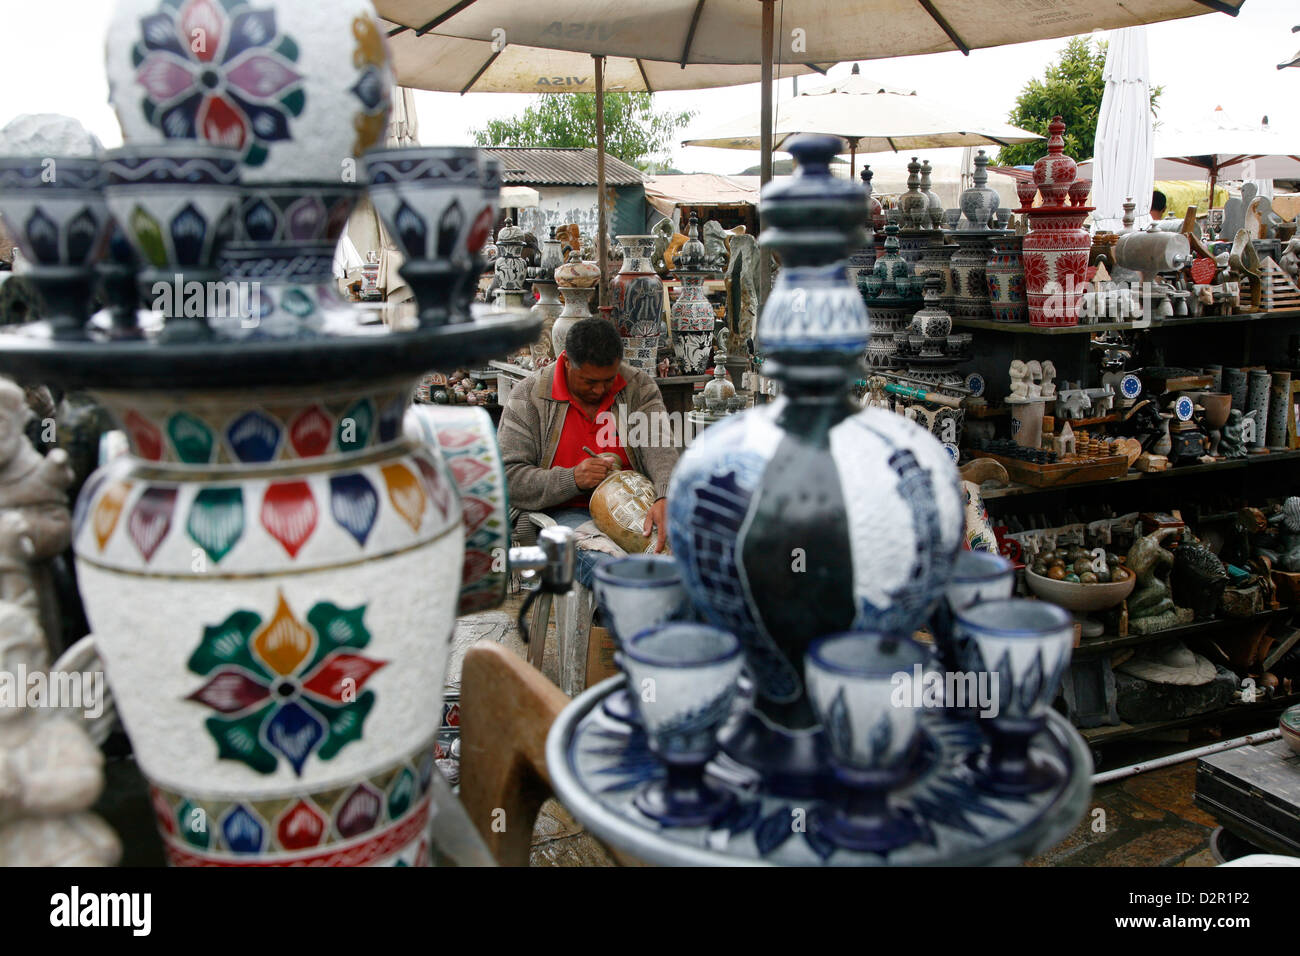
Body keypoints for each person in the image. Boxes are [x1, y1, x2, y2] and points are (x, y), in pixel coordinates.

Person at [499, 317, 679, 587]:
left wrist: (665, 495)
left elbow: (660, 448)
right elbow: (508, 478)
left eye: (608, 380)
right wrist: (572, 479)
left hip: (636, 506)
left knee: (685, 556)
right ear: (567, 361)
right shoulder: (528, 396)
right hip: (564, 513)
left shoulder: (637, 386)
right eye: (589, 381)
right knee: (612, 572)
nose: (600, 389)